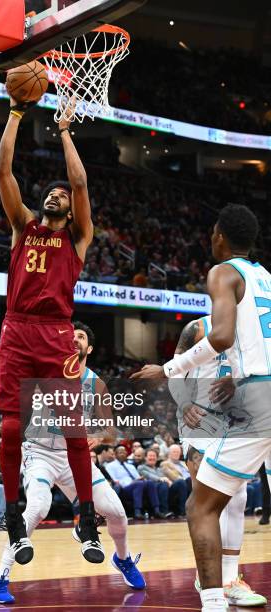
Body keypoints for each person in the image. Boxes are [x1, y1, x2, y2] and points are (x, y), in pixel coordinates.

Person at [133, 204, 271, 611]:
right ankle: (228, 583)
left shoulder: (223, 272)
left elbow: (223, 336)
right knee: (228, 496)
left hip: (257, 400)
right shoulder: (267, 279)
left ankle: (213, 601)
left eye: (213, 234)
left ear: (220, 237)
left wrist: (166, 368)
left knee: (201, 506)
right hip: (237, 401)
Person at [0, 94, 100, 564]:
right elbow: (2, 172)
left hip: (57, 332)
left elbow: (78, 181)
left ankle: (87, 519)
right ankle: (14, 516)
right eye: (51, 192)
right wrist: (16, 112)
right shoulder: (23, 225)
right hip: (17, 328)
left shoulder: (77, 237)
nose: (55, 194)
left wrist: (63, 129)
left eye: (60, 195)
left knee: (75, 432)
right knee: (12, 427)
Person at [0, 322, 145, 604]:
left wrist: (99, 435)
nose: (74, 340)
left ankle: (123, 559)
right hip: (39, 453)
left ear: (90, 348)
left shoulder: (96, 383)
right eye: (70, 336)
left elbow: (109, 429)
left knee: (117, 512)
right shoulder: (40, 372)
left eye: (81, 337)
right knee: (37, 507)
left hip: (73, 457)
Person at [170, 314, 267, 606]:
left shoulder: (255, 331)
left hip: (236, 420)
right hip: (198, 418)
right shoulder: (197, 328)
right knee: (206, 496)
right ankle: (209, 576)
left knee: (237, 498)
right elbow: (175, 374)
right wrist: (184, 403)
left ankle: (229, 579)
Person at [106, 445, 167, 520]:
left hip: (136, 485)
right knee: (138, 484)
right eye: (120, 452)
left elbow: (137, 478)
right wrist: (134, 482)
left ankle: (156, 510)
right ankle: (137, 512)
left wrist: (140, 479)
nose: (122, 454)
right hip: (124, 487)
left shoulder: (130, 466)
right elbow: (114, 480)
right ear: (115, 454)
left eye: (124, 452)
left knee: (150, 483)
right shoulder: (110, 466)